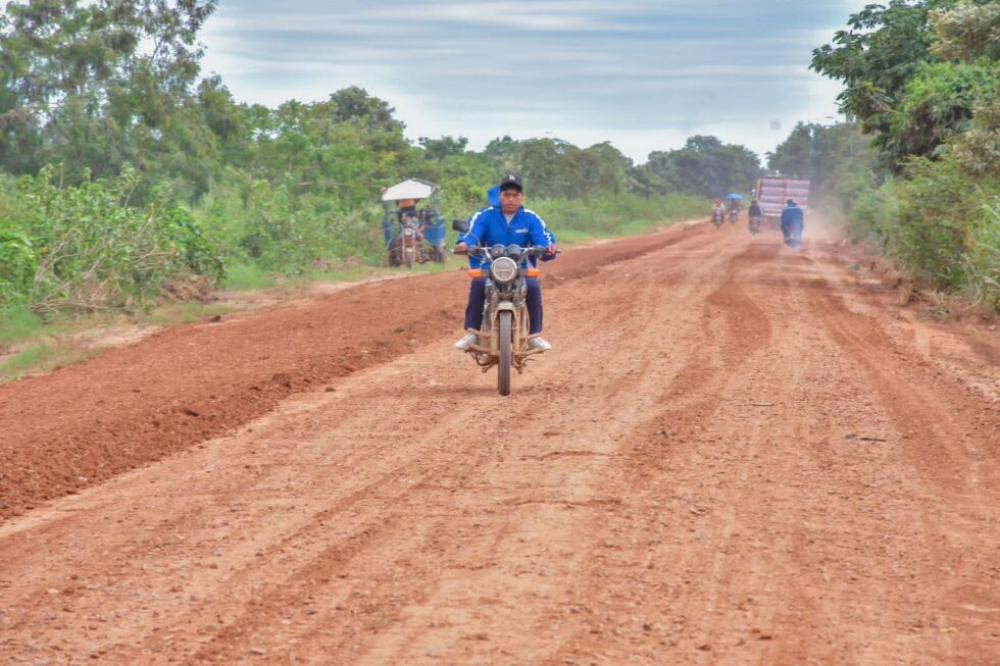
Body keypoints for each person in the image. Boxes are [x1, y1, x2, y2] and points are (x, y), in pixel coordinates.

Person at [454, 174, 557, 351]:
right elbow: (472, 233)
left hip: (520, 268)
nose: (510, 199)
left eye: (515, 195)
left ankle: (534, 335)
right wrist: (464, 244)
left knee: (532, 287)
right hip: (489, 266)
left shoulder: (530, 218)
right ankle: (472, 333)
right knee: (478, 284)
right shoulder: (485, 216)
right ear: (499, 195)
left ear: (522, 197)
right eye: (506, 194)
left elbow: (542, 238)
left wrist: (547, 249)